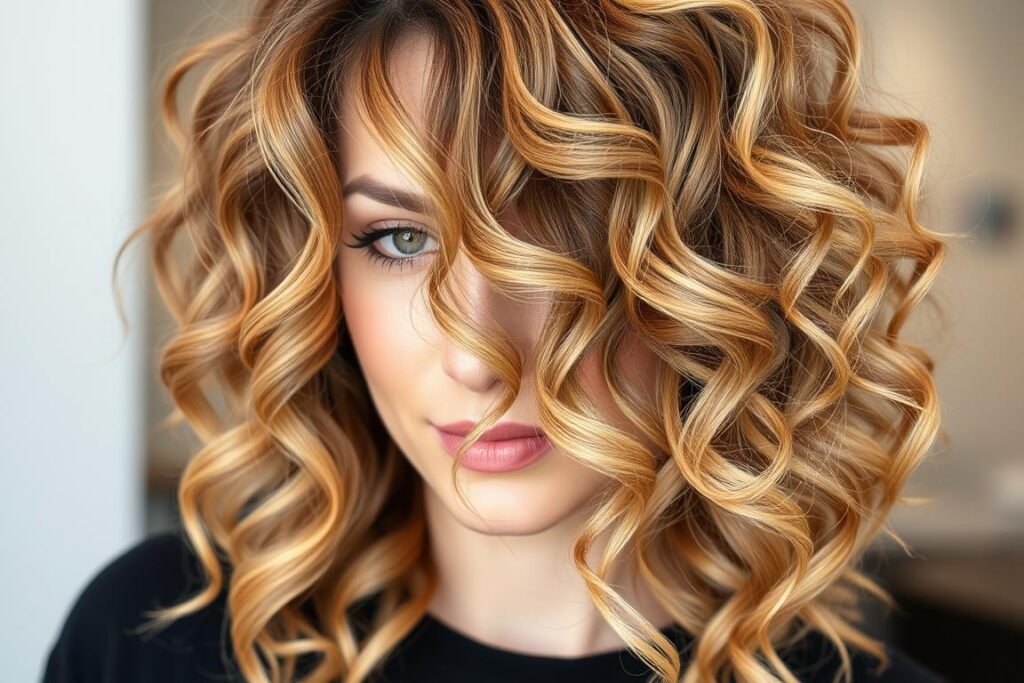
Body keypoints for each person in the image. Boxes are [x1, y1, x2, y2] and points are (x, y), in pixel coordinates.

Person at [43, 0, 951, 681]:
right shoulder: (151, 639)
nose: (477, 356)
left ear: (710, 261)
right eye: (398, 239)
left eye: (555, 232)